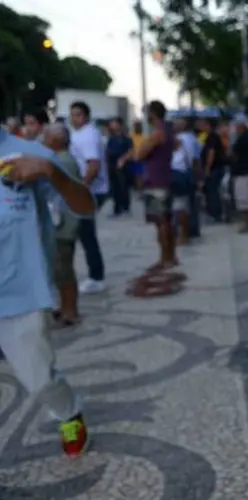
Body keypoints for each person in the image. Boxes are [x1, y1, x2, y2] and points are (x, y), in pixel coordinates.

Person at [0, 127, 95, 456]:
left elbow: (86, 207)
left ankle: (69, 412)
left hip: (18, 292)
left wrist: (53, 174)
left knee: (39, 379)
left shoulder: (31, 154)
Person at [43, 124, 82, 326]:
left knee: (64, 269)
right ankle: (66, 307)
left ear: (56, 140)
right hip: (62, 222)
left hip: (63, 224)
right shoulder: (61, 159)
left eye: (46, 136)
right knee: (61, 269)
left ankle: (71, 310)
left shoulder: (62, 161)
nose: (43, 140)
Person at [69, 101, 108, 294]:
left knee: (86, 234)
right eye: (72, 114)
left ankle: (96, 277)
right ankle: (95, 275)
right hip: (84, 190)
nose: (73, 118)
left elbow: (93, 166)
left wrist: (81, 188)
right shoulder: (79, 134)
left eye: (77, 115)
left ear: (86, 116)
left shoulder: (88, 135)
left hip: (90, 191)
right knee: (84, 234)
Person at [135, 100, 178, 270]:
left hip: (156, 180)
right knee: (167, 219)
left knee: (160, 221)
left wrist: (143, 145)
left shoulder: (157, 134)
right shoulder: (169, 131)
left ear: (152, 114)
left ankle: (164, 258)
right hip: (165, 177)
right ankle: (171, 256)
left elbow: (139, 154)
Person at [230, 114, 248, 233]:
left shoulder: (244, 138)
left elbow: (231, 154)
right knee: (246, 200)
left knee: (247, 201)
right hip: (245, 173)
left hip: (245, 173)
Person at [198, 118, 228, 222]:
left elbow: (211, 153)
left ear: (208, 125)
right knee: (212, 191)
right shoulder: (211, 137)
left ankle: (216, 214)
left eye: (203, 124)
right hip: (215, 168)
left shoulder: (212, 137)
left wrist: (207, 168)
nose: (201, 126)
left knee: (212, 191)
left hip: (214, 168)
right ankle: (215, 213)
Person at [170, 121, 193, 245]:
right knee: (180, 206)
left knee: (177, 207)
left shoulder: (176, 140)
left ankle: (181, 235)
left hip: (175, 173)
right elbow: (190, 159)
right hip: (181, 173)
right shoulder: (183, 140)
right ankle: (183, 235)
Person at [106, 117, 134, 217]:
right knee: (115, 187)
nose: (112, 125)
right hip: (112, 165)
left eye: (114, 123)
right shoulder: (111, 138)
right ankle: (117, 208)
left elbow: (131, 152)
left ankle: (125, 207)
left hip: (123, 166)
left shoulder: (126, 139)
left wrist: (123, 159)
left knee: (123, 187)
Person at [130, 121, 145, 191]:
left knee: (140, 176)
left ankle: (140, 190)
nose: (137, 127)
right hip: (132, 160)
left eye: (139, 126)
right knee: (135, 176)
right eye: (136, 126)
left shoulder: (145, 137)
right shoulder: (130, 137)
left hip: (141, 160)